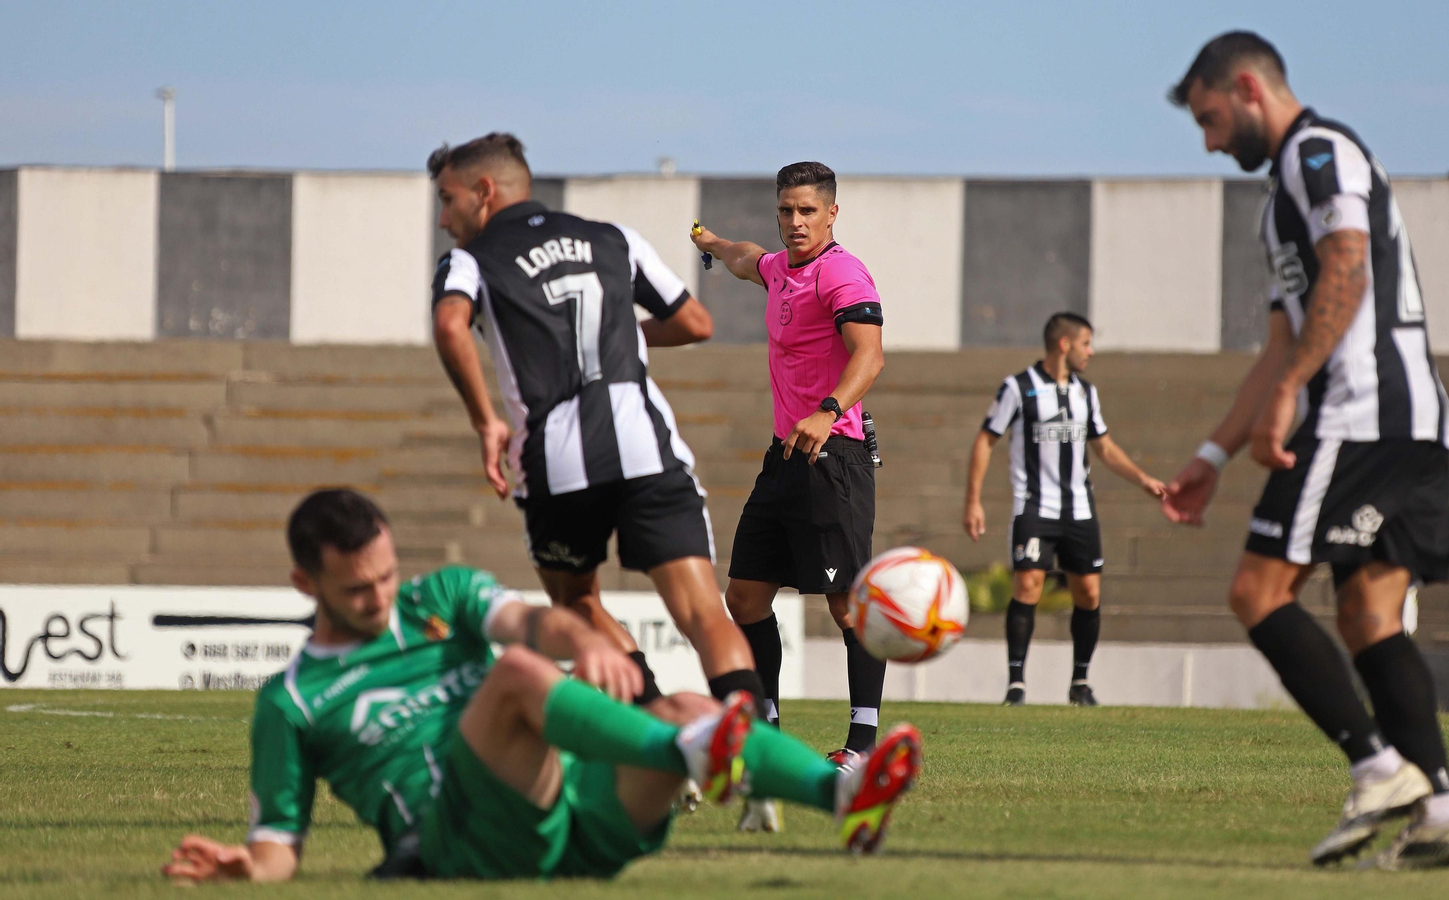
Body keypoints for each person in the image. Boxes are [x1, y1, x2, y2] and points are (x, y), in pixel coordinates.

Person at [159, 489, 923, 884]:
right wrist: (246, 868)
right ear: (305, 582)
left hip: (563, 824)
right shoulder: (290, 702)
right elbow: (277, 846)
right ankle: (694, 752)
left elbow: (534, 624)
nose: (382, 597)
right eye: (359, 589)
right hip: (454, 840)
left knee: (685, 702)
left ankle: (844, 800)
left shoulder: (439, 598)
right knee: (519, 680)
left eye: (388, 575)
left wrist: (587, 640)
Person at [1165, 32, 1449, 869]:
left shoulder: (1317, 153)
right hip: (1410, 423)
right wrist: (1213, 454)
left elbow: (1348, 269)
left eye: (1211, 119)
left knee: (1257, 593)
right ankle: (1442, 810)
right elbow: (1279, 343)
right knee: (1367, 617)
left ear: (1246, 87)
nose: (1209, 140)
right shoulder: (1279, 201)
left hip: (1360, 413)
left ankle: (1377, 768)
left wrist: (1290, 392)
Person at [428, 132, 763, 712]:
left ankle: (661, 727)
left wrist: (486, 422)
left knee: (578, 606)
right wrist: (625, 340)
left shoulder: (470, 260)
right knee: (703, 611)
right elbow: (695, 322)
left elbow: (450, 325)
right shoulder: (614, 239)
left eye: (447, 199)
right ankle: (753, 746)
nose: (441, 218)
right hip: (645, 446)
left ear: (484, 192)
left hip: (557, 463)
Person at [691, 161, 886, 831]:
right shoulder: (779, 268)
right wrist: (713, 244)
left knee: (846, 603)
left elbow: (870, 355)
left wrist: (829, 409)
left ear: (832, 213)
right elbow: (749, 260)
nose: (795, 222)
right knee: (744, 597)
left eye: (807, 211)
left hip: (834, 459)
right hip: (783, 460)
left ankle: (862, 744)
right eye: (786, 211)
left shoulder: (843, 273)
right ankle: (769, 734)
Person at [963, 313, 1166, 707]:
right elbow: (985, 440)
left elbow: (1104, 447)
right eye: (1086, 343)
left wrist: (1143, 479)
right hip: (1035, 506)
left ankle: (1080, 682)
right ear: (1064, 344)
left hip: (1079, 510)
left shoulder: (1086, 393)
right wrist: (973, 500)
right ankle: (1016, 685)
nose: (1090, 352)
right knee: (1027, 586)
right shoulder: (1018, 387)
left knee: (1088, 592)